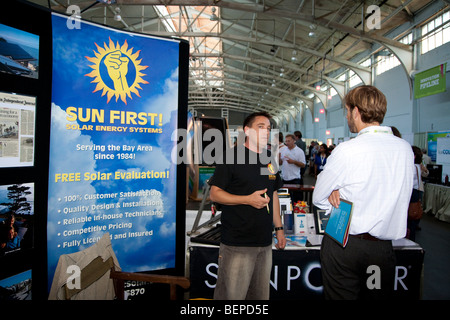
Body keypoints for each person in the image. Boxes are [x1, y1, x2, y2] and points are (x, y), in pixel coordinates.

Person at [313, 85, 414, 300]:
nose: (347, 116)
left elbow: (319, 198)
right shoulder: (405, 149)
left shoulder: (348, 149)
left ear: (356, 112)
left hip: (344, 244)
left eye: (347, 111)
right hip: (381, 249)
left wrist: (336, 196)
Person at [209, 111, 286, 300]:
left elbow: (274, 193)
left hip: (264, 243)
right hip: (237, 243)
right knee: (231, 298)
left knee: (259, 297)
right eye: (261, 127)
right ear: (247, 131)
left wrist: (279, 228)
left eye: (268, 128)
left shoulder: (269, 158)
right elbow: (215, 194)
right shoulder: (231, 157)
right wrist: (247, 199)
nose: (266, 132)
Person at [280, 134, 306, 204]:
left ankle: (296, 212)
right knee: (285, 199)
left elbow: (303, 165)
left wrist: (294, 162)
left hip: (294, 178)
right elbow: (281, 162)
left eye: (289, 141)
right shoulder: (283, 150)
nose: (287, 143)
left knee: (296, 199)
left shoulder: (299, 151)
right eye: (286, 141)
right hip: (285, 178)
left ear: (294, 141)